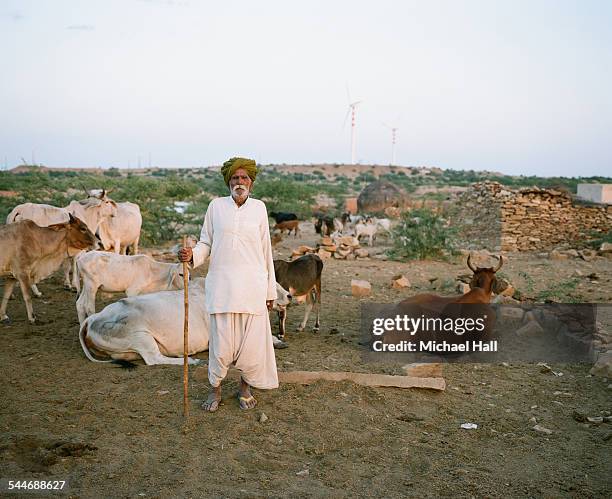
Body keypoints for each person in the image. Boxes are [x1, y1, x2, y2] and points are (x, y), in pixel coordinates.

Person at [177, 157, 278, 412]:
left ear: (251, 182)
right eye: (235, 178)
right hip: (222, 286)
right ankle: (216, 390)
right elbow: (206, 243)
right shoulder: (215, 207)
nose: (239, 182)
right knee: (220, 345)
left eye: (244, 178)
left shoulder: (259, 209)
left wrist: (269, 289)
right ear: (228, 182)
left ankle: (245, 388)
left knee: (251, 344)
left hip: (252, 287)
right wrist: (193, 255)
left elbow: (266, 250)